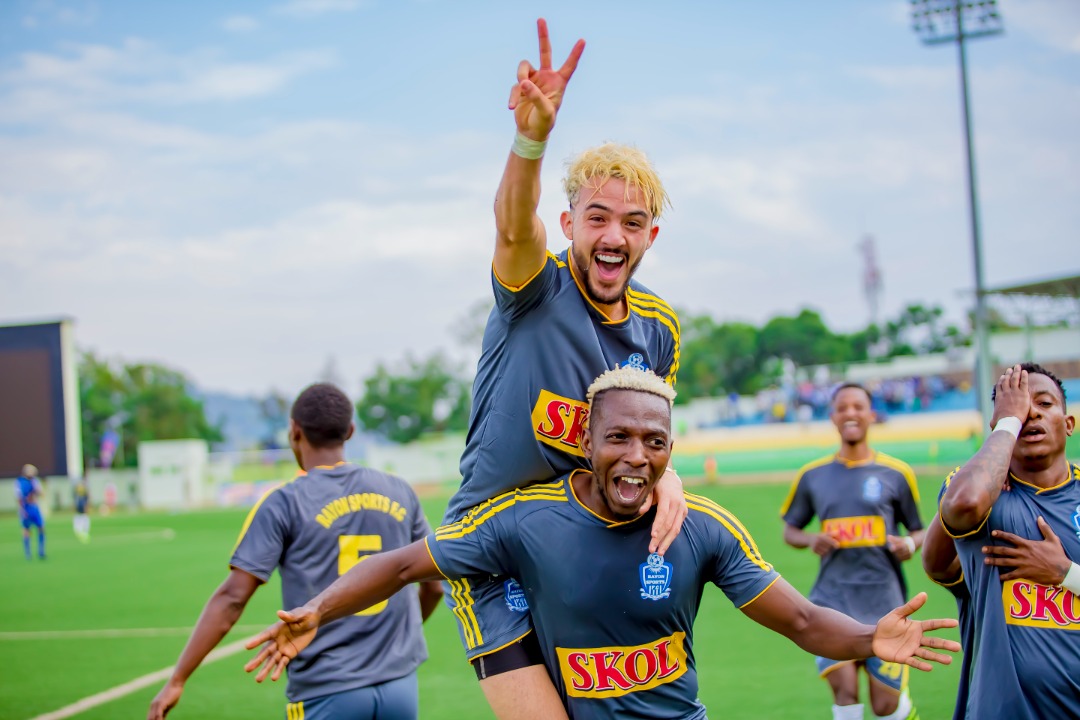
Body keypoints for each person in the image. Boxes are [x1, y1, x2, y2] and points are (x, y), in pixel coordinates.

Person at [245, 368, 960, 720]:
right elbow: (403, 564)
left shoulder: (703, 527)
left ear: (670, 448)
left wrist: (871, 639)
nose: (635, 456)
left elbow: (802, 620)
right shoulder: (524, 522)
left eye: (654, 441)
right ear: (584, 442)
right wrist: (319, 609)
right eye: (616, 436)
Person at [439, 18, 686, 720]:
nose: (614, 236)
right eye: (598, 217)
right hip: (492, 556)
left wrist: (675, 484)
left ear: (650, 237)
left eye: (632, 223)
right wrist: (531, 139)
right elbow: (514, 227)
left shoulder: (659, 330)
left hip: (585, 553)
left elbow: (654, 441)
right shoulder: (535, 289)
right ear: (570, 221)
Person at [147, 383, 442, 720]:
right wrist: (395, 641)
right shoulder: (399, 490)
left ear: (294, 432)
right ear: (350, 431)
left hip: (327, 687)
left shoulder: (284, 502)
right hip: (400, 686)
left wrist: (178, 678)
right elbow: (433, 585)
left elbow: (233, 598)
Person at [935, 363, 1080, 719]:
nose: (1030, 412)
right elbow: (963, 506)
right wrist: (1005, 431)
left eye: (1044, 404)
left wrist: (1066, 573)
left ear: (1069, 423)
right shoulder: (980, 493)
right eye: (1016, 406)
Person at [780, 383, 925, 720]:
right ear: (831, 416)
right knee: (846, 694)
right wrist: (810, 540)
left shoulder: (897, 473)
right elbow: (791, 530)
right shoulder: (812, 475)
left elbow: (919, 529)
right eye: (842, 407)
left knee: (885, 706)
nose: (850, 413)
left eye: (858, 406)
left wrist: (910, 544)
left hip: (884, 603)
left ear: (871, 414)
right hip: (832, 602)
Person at [16, 464, 46, 560]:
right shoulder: (20, 482)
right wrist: (22, 509)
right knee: (26, 530)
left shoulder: (34, 481)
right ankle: (28, 554)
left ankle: (41, 551)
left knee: (41, 528)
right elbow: (19, 497)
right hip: (25, 508)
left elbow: (41, 493)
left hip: (34, 508)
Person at [72, 474, 91, 543]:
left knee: (84, 519)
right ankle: (79, 532)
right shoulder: (77, 491)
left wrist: (87, 506)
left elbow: (87, 498)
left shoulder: (84, 490)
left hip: (82, 509)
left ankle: (84, 532)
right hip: (79, 509)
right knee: (78, 519)